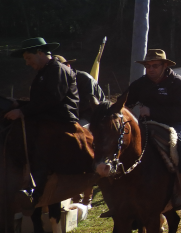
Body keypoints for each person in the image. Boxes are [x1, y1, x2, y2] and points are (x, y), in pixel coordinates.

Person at [3, 38, 92, 202]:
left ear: (40, 53)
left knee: (38, 146)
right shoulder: (44, 72)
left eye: (28, 58)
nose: (27, 63)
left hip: (60, 121)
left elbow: (52, 99)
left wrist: (22, 111)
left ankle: (37, 190)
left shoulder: (57, 69)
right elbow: (40, 102)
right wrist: (18, 104)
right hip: (45, 117)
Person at [125, 49, 181, 210]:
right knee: (124, 148)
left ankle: (180, 192)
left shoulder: (177, 82)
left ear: (165, 65)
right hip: (146, 125)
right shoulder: (139, 84)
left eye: (155, 65)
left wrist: (151, 111)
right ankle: (122, 195)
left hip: (174, 125)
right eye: (148, 66)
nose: (151, 69)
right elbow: (124, 103)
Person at [53, 55, 105, 125]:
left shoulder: (84, 79)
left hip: (93, 115)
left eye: (60, 69)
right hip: (71, 116)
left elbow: (89, 103)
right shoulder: (57, 82)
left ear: (68, 66)